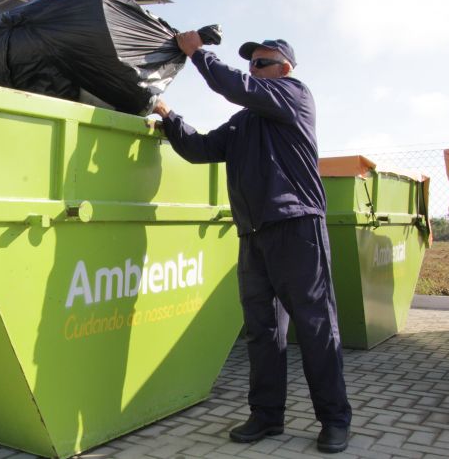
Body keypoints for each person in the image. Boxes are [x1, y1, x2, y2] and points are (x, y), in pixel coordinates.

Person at [151, 32, 352, 453]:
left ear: (285, 69)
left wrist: (197, 53)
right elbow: (200, 148)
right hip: (254, 235)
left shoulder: (295, 97)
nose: (253, 70)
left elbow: (235, 87)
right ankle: (266, 416)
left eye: (262, 64)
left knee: (315, 330)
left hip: (298, 230)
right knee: (261, 333)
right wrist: (169, 116)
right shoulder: (244, 122)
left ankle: (334, 420)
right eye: (251, 65)